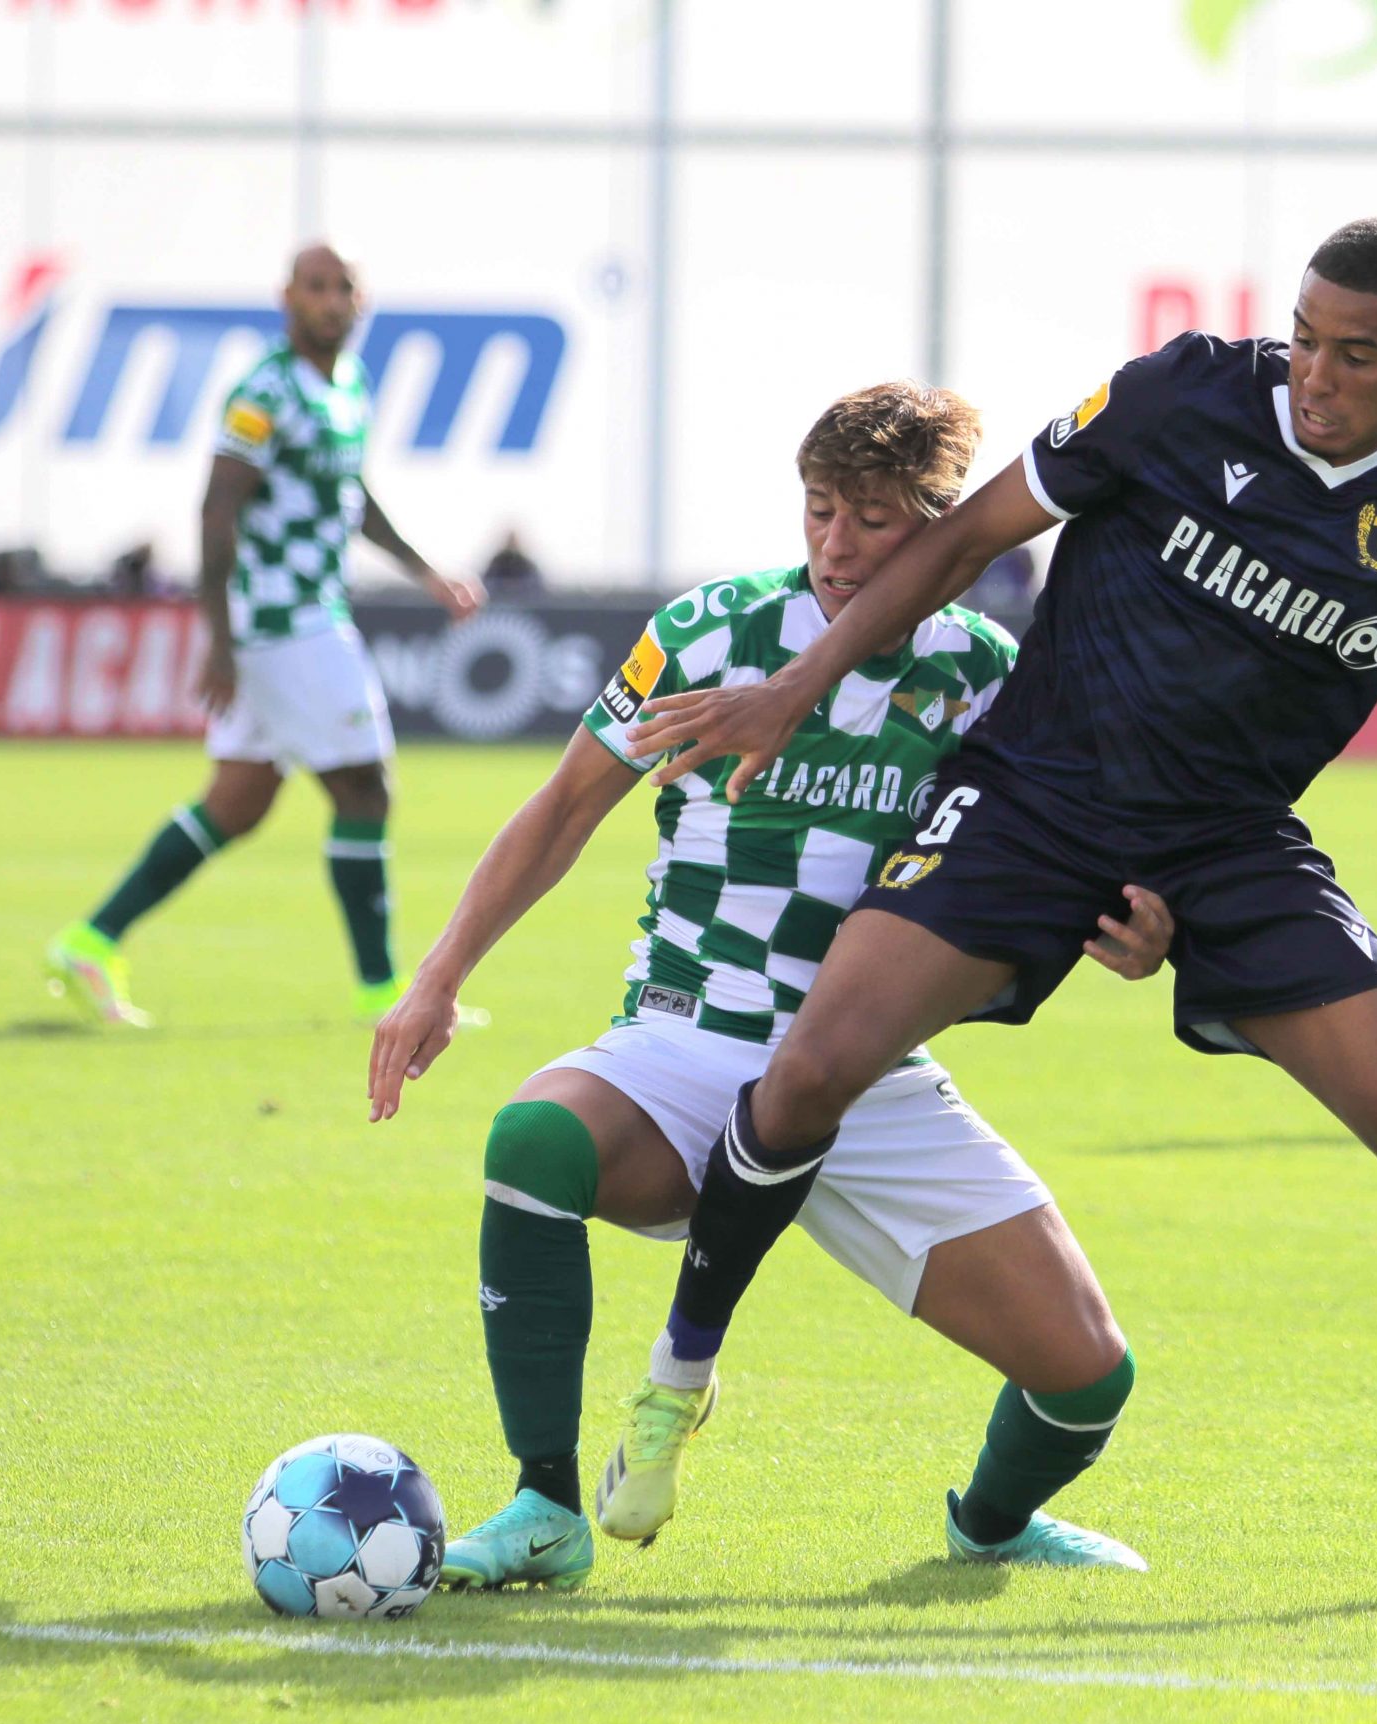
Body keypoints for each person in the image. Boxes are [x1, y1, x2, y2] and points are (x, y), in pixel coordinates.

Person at [610, 219, 1377, 1597]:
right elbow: (965, 538)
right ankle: (679, 1380)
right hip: (1033, 799)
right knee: (816, 1065)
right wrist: (798, 687)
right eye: (1307, 335)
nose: (1316, 372)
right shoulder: (1178, 393)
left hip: (1224, 849)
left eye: (1356, 353)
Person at [369, 381, 1172, 1587]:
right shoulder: (710, 631)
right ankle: (544, 1506)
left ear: (944, 523)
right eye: (819, 512)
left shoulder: (986, 674)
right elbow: (562, 811)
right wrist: (436, 978)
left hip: (869, 1075)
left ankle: (990, 1525)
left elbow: (1071, 847)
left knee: (1086, 1380)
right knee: (533, 1139)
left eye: (874, 519)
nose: (838, 546)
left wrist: (1144, 924)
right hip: (687, 1049)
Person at [45, 243, 484, 1028]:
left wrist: (426, 573)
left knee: (238, 802)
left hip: (303, 613)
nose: (329, 300)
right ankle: (382, 992)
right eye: (314, 288)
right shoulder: (264, 391)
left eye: (341, 287)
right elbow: (216, 510)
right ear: (287, 299)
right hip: (285, 619)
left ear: (362, 299)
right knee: (364, 789)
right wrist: (219, 639)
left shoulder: (348, 385)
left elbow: (352, 496)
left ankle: (89, 939)